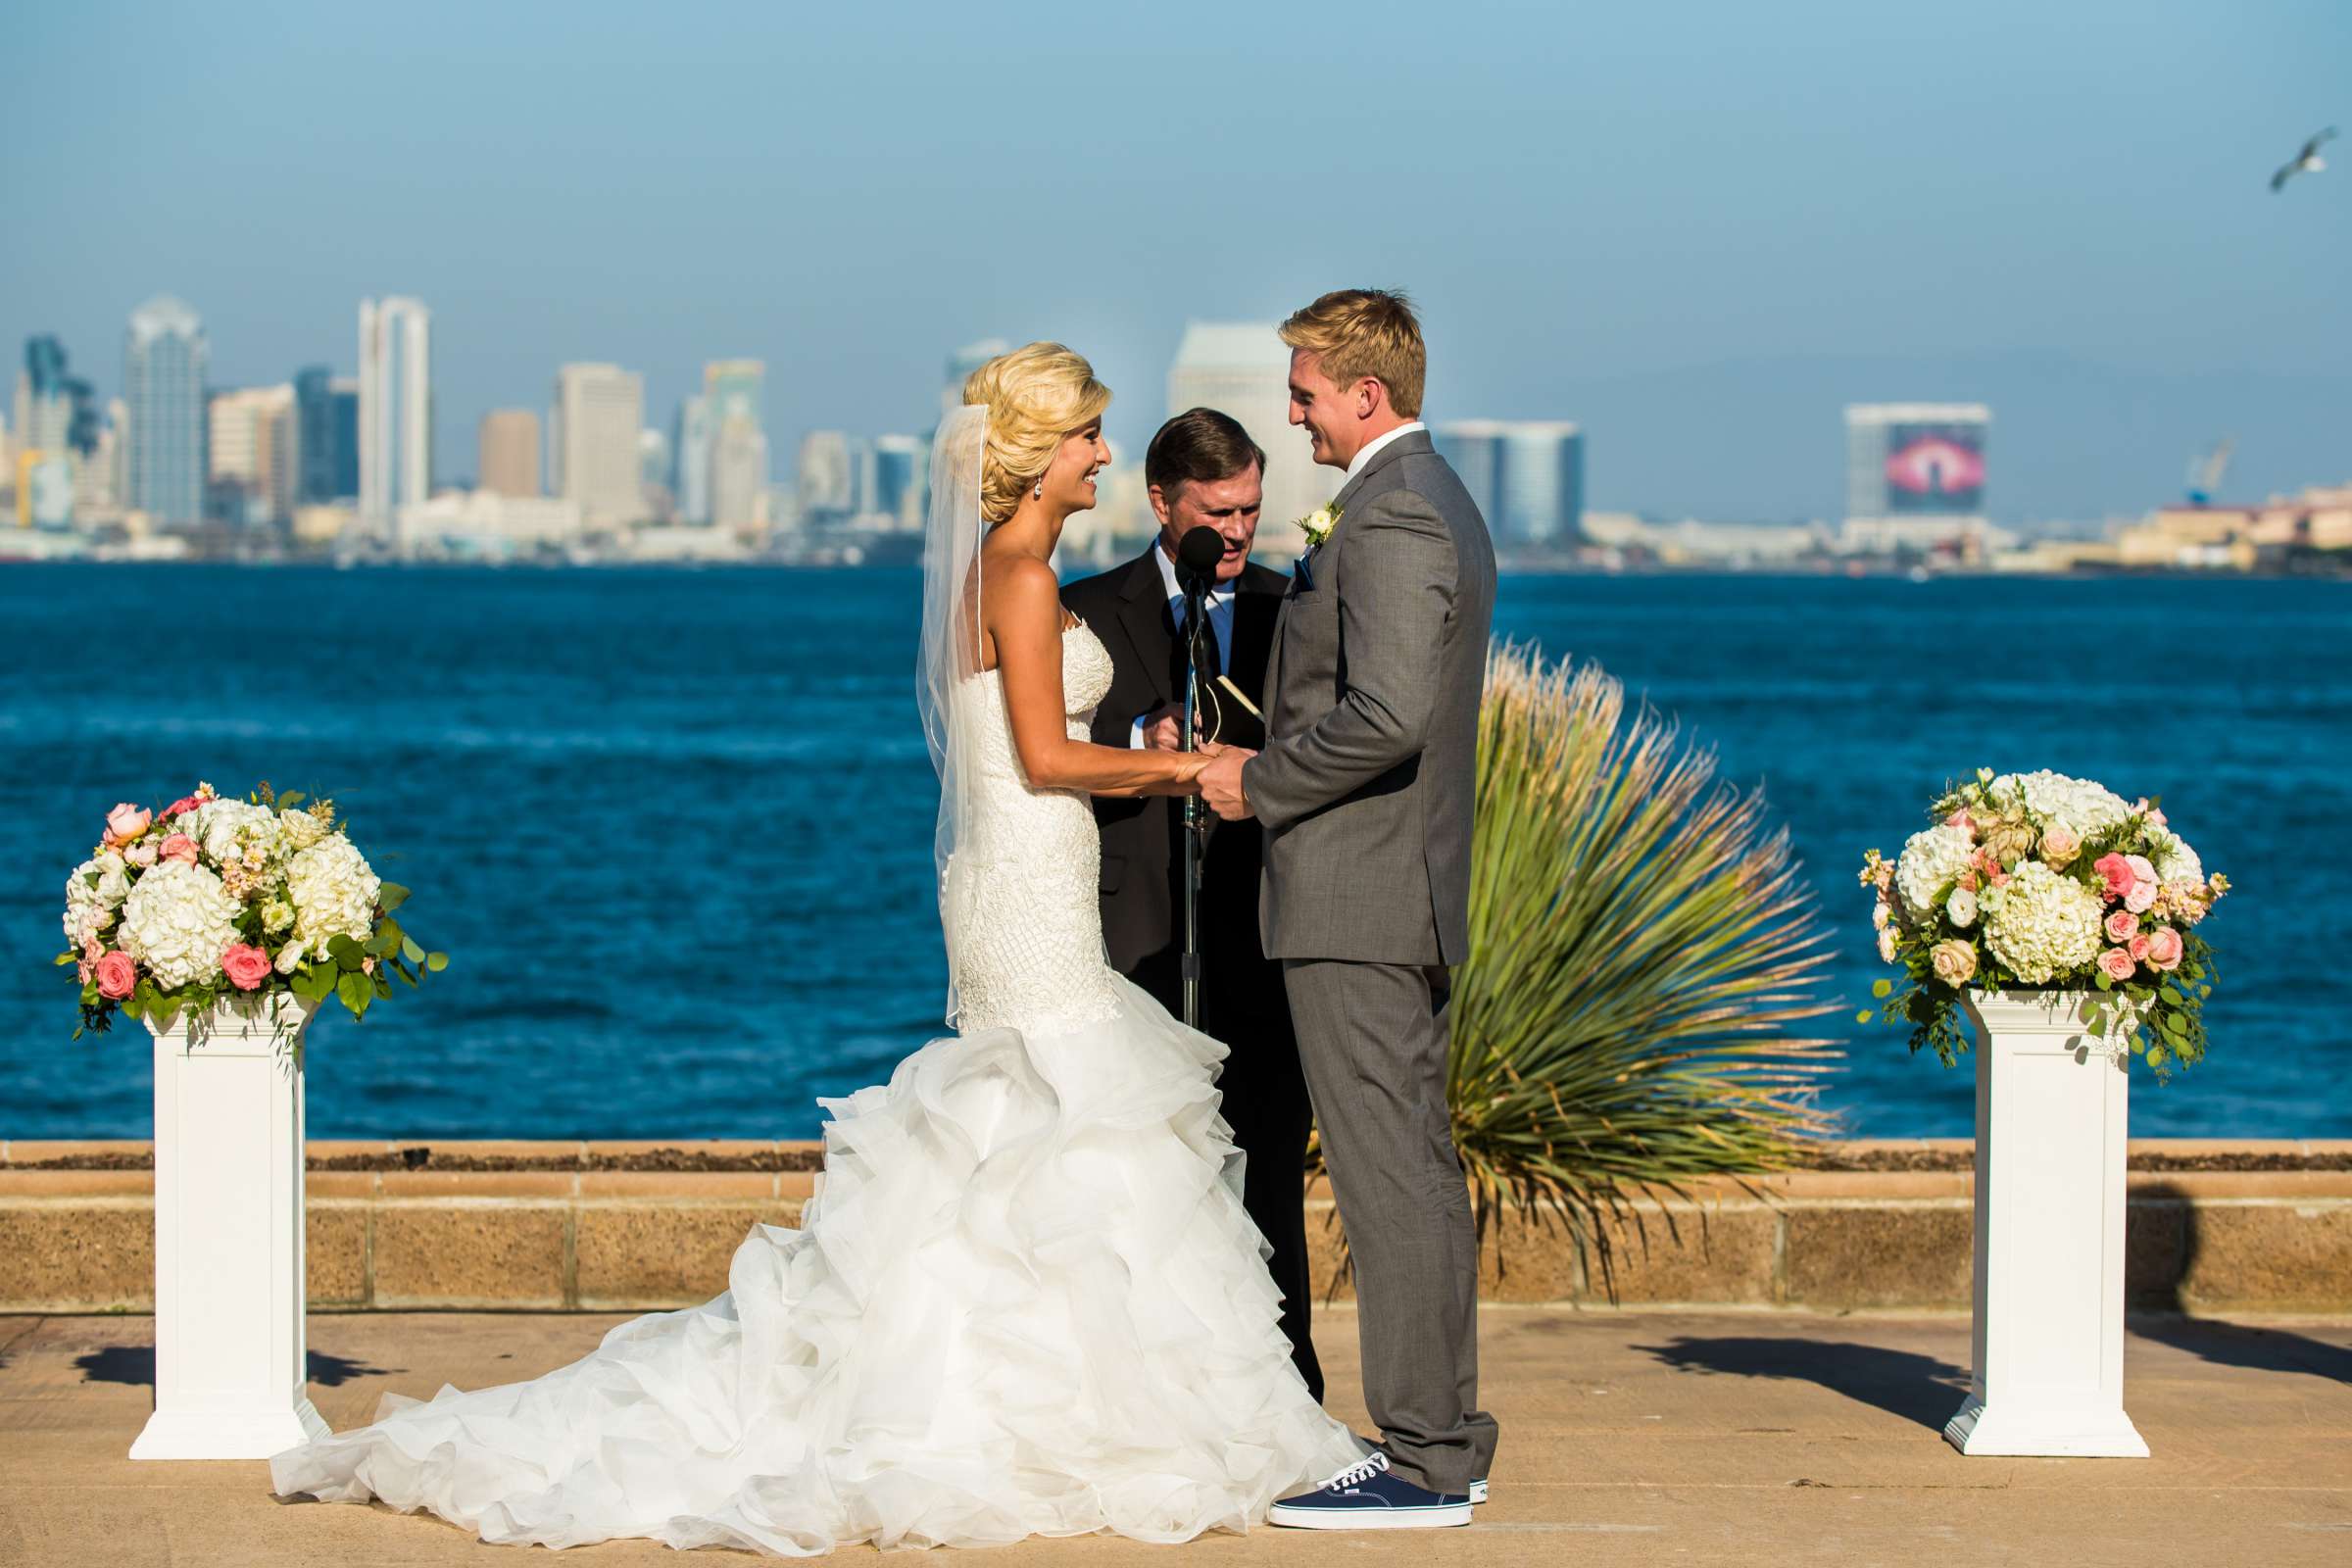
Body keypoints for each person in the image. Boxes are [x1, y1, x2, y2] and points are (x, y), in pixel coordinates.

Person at [269, 343, 1364, 1554]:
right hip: (1032, 885)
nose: (1104, 452)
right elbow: (1047, 760)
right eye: (1088, 435)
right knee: (1061, 1123)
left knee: (1034, 1137)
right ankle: (1047, 1410)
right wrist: (1188, 765)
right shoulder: (1018, 572)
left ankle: (1054, 1397)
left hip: (1028, 878)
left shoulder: (1016, 569)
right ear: (1040, 452)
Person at [1199, 290, 1500, 1530]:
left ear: (1366, 395)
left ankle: (1426, 1459)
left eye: (1308, 391)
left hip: (1361, 899)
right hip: (1374, 893)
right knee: (1408, 1169)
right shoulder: (1417, 503)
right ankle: (1445, 1442)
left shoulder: (1396, 516)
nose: (1294, 411)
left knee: (1390, 1177)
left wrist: (1253, 781)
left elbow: (1387, 715)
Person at [1060, 409, 1321, 1401]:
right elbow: (1039, 761)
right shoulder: (1087, 607)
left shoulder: (1288, 604)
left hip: (1260, 930)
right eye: (1220, 510)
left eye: (1254, 507)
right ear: (1162, 503)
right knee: (1134, 1172)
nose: (1242, 529)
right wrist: (1140, 737)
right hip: (1133, 936)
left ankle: (1286, 1390)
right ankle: (1138, 1388)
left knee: (1264, 1161)